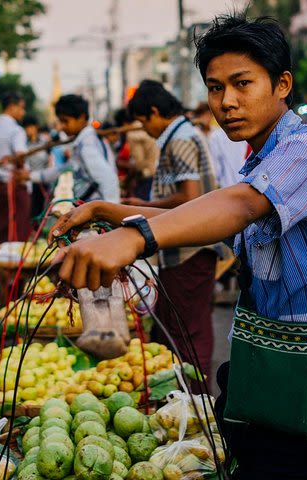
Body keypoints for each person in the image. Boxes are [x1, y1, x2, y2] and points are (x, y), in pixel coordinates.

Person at [51, 14, 307, 479]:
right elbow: (211, 221)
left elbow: (236, 205)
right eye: (216, 88)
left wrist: (133, 238)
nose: (227, 101)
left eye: (242, 83)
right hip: (263, 371)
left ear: (282, 84)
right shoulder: (263, 158)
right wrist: (108, 212)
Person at [114, 80, 218, 380]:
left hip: (191, 248)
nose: (145, 129)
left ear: (156, 111)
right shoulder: (179, 135)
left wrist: (141, 205)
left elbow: (190, 196)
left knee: (188, 330)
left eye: (144, 121)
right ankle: (180, 395)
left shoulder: (180, 139)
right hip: (183, 246)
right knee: (174, 324)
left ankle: (195, 400)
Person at [27, 94, 120, 203]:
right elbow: (65, 169)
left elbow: (108, 180)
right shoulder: (85, 141)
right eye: (60, 122)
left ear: (81, 118)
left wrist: (111, 214)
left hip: (98, 208)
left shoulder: (87, 145)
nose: (61, 126)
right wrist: (32, 176)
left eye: (65, 121)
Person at [0, 91, 32, 244]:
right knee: (18, 228)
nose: (23, 112)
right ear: (11, 107)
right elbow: (20, 156)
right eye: (21, 108)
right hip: (14, 186)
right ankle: (15, 265)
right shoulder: (16, 130)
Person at [22, 116, 51, 220]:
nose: (28, 130)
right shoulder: (24, 144)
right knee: (32, 207)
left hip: (44, 178)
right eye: (26, 127)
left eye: (30, 127)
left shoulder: (45, 142)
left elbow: (50, 158)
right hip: (30, 180)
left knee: (44, 205)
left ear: (36, 127)